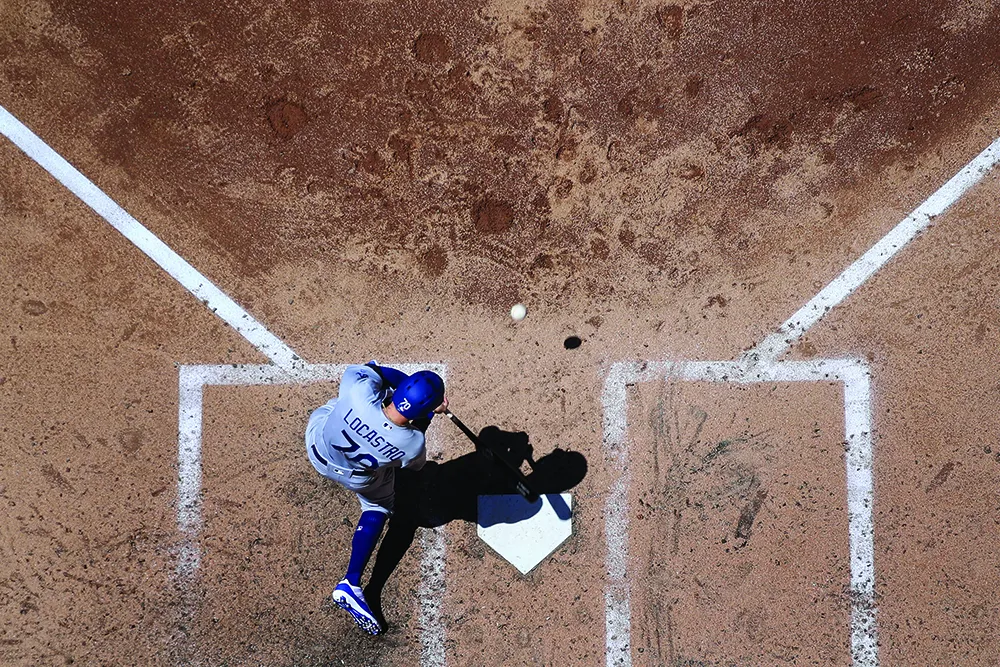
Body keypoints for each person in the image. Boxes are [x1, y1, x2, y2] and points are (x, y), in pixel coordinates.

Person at [304, 361, 447, 635]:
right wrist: (430, 413)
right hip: (355, 477)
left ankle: (353, 585)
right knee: (379, 505)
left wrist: (403, 387)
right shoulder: (412, 444)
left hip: (316, 445)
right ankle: (350, 582)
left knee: (338, 404)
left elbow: (375, 370)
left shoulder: (359, 393)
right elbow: (413, 464)